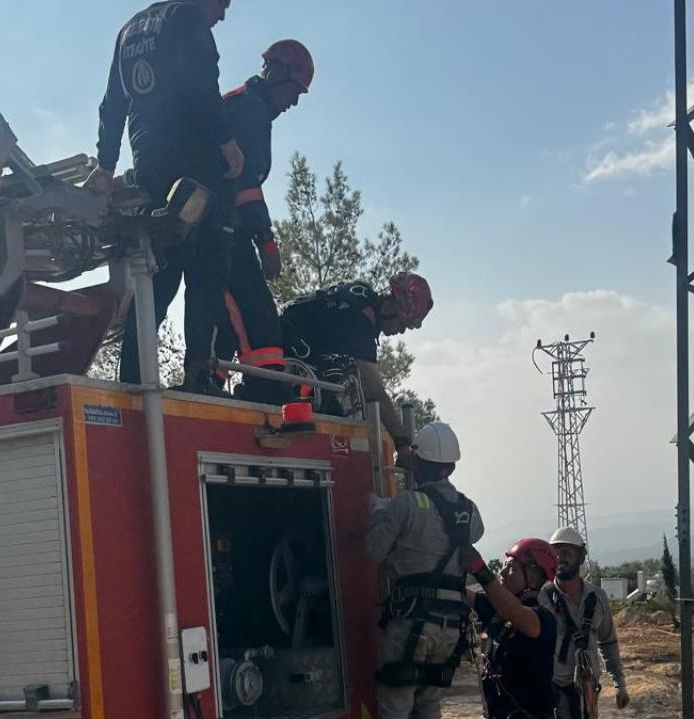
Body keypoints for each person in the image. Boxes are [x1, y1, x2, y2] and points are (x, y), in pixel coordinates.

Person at [84, 0, 246, 394]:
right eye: (222, 4)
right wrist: (228, 146)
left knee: (158, 272)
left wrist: (106, 163)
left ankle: (134, 376)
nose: (222, 15)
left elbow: (114, 103)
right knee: (209, 270)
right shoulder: (187, 18)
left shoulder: (131, 29)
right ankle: (199, 373)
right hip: (199, 161)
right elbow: (202, 87)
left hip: (152, 167)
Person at [213, 39, 314, 404]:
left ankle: (208, 381)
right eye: (294, 91)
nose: (295, 102)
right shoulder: (251, 110)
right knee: (258, 315)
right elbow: (245, 184)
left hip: (212, 224)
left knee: (226, 318)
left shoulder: (240, 104)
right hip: (223, 229)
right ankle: (268, 392)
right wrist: (266, 241)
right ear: (275, 75)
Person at [365, 421, 483, 719]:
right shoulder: (469, 510)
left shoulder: (405, 504)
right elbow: (473, 534)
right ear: (452, 467)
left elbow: (374, 551)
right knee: (429, 706)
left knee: (396, 704)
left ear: (417, 462)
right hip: (450, 626)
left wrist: (380, 513)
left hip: (412, 622)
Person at [281, 272, 433, 445]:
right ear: (392, 307)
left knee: (333, 414)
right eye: (402, 323)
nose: (402, 331)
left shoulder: (362, 297)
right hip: (286, 354)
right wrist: (401, 443)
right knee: (331, 424)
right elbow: (374, 391)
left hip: (296, 353)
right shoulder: (361, 319)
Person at [464, 540, 561, 719]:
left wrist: (480, 570)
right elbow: (462, 593)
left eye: (511, 568)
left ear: (534, 577)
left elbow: (514, 611)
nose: (502, 572)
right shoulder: (498, 615)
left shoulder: (542, 619)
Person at [542, 527, 630, 719]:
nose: (560, 558)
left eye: (567, 553)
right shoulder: (543, 596)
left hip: (587, 689)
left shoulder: (597, 598)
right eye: (555, 553)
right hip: (553, 688)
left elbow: (608, 642)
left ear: (581, 557)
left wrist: (619, 684)